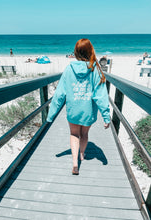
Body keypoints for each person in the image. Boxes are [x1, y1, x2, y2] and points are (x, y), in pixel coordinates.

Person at [47, 39, 110, 175]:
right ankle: (82, 154)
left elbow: (59, 94)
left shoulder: (69, 69)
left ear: (76, 52)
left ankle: (75, 163)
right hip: (88, 111)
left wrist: (51, 114)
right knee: (84, 134)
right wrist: (106, 116)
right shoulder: (95, 68)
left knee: (74, 134)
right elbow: (101, 95)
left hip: (73, 110)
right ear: (90, 51)